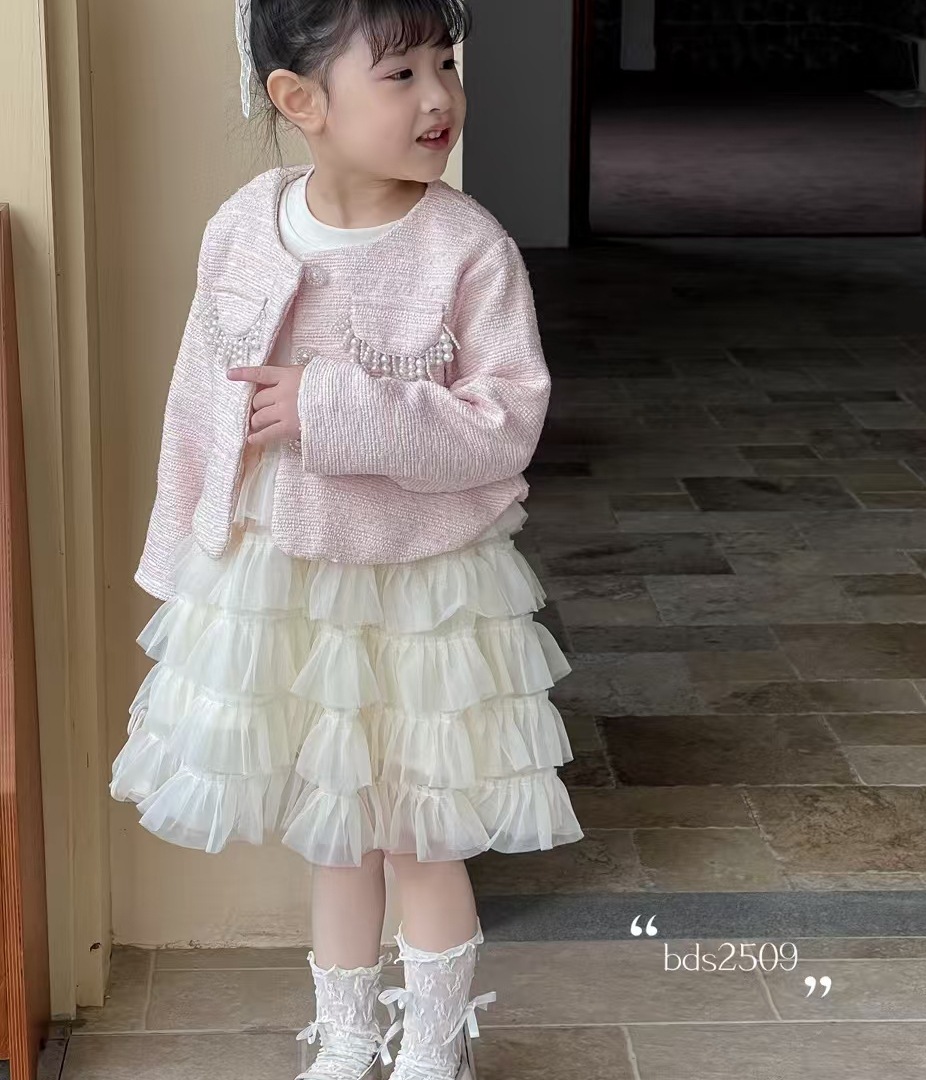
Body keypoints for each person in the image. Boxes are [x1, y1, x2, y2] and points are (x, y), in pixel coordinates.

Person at [109, 2, 584, 1078]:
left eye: (446, 64)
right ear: (300, 100)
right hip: (289, 585)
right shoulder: (244, 227)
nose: (440, 96)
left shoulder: (468, 248)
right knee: (338, 830)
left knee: (419, 830)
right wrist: (183, 552)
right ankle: (346, 1039)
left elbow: (505, 423)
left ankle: (434, 1047)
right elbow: (198, 407)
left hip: (424, 595)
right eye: (401, 73)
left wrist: (330, 406)